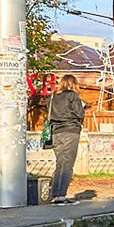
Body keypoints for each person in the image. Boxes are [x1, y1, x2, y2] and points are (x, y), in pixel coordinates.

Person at [45, 74, 87, 204]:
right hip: (70, 131)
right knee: (68, 164)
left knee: (60, 163)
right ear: (73, 84)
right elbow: (80, 113)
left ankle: (55, 194)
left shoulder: (51, 98)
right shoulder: (73, 95)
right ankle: (61, 195)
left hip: (56, 132)